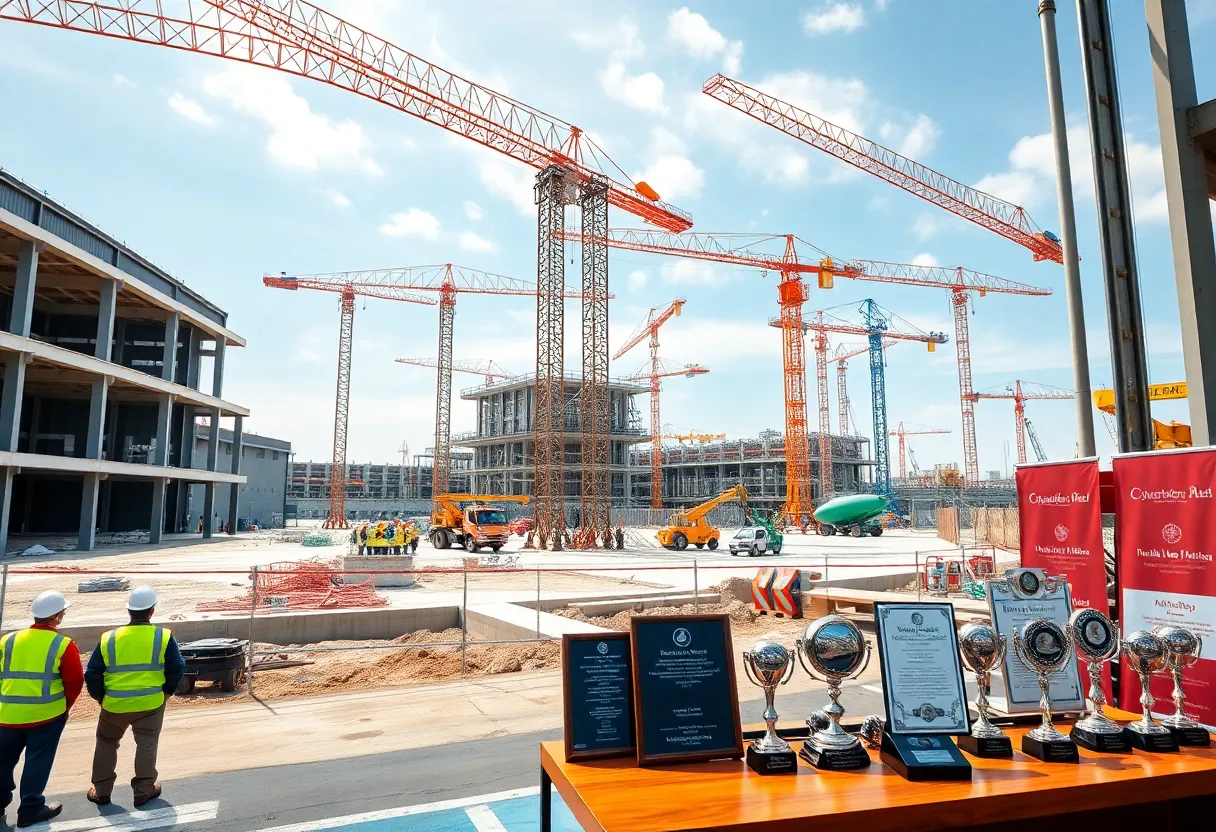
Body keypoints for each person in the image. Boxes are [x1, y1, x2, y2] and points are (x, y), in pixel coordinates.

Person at [84, 587, 185, 808]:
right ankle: (143, 790)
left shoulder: (109, 638)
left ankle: (101, 792)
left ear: (129, 611)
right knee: (147, 743)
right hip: (151, 703)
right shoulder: (162, 636)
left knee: (106, 743)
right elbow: (177, 667)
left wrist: (101, 697)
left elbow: (91, 673)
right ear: (152, 611)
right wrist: (167, 693)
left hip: (114, 704)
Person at [0, 590, 81, 828]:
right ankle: (31, 809)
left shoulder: (8, 640)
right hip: (46, 717)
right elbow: (75, 681)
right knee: (38, 761)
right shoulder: (63, 644)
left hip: (7, 715)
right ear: (57, 616)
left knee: (2, 760)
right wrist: (65, 707)